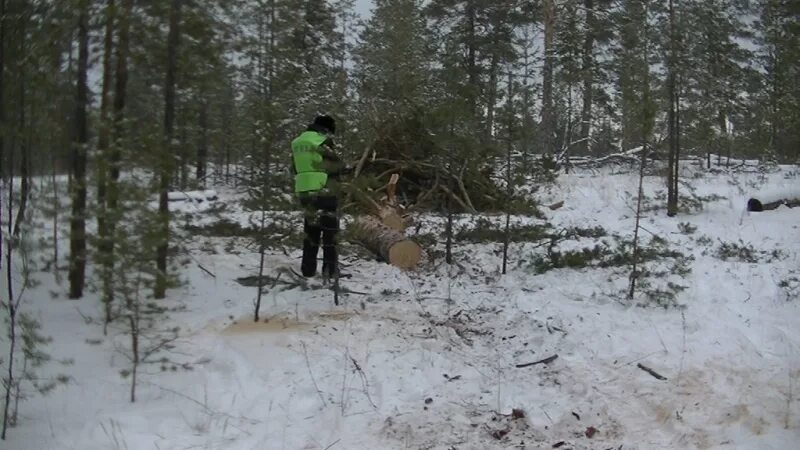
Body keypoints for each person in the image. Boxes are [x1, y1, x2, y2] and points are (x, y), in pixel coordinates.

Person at [291, 115, 348, 279]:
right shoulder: (321, 142)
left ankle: (307, 270)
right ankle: (330, 271)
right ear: (327, 129)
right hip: (324, 190)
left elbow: (294, 167)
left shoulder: (298, 142)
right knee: (330, 232)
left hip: (304, 191)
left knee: (311, 231)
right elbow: (335, 166)